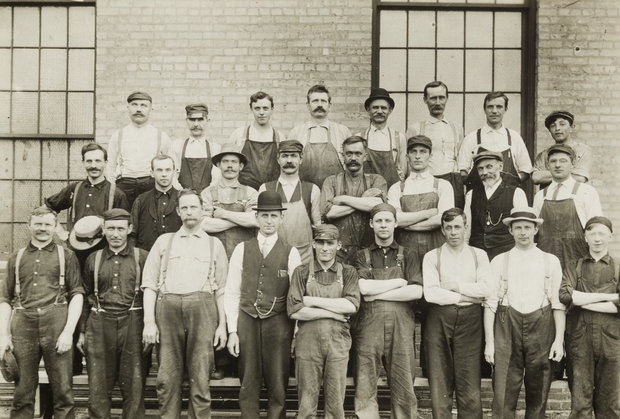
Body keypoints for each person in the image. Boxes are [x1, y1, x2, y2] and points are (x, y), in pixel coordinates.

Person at [141, 189, 229, 419]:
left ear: (202, 211)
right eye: (185, 208)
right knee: (166, 379)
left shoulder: (214, 244)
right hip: (168, 310)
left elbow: (222, 290)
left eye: (194, 207)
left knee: (200, 379)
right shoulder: (163, 242)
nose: (190, 212)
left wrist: (222, 326)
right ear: (178, 212)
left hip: (203, 311)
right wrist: (149, 322)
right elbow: (149, 285)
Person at [0, 206, 84, 419]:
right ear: (29, 226)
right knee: (23, 391)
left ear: (56, 227)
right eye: (38, 224)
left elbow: (77, 294)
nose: (42, 229)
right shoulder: (16, 258)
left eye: (48, 224)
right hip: (22, 324)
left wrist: (68, 332)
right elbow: (5, 299)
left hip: (56, 323)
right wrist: (3, 335)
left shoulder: (67, 256)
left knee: (63, 391)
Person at [225, 191, 302, 419]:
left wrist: (296, 332)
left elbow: (296, 297)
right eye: (265, 216)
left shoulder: (291, 252)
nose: (269, 221)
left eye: (274, 216)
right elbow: (232, 291)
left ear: (281, 219)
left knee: (278, 381)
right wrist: (232, 331)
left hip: (279, 325)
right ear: (256, 218)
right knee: (248, 380)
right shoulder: (242, 249)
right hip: (246, 321)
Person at [484, 207, 565, 419]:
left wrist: (558, 341)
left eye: (527, 227)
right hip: (506, 325)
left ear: (536, 229)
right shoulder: (499, 261)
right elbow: (490, 304)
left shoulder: (550, 261)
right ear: (510, 231)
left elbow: (558, 304)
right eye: (517, 228)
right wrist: (490, 342)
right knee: (502, 391)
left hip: (541, 324)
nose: (522, 232)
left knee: (539, 390)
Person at [350, 203, 423, 419]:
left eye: (388, 220)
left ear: (396, 223)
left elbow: (416, 292)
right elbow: (363, 288)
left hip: (401, 326)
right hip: (368, 326)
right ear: (372, 224)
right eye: (379, 221)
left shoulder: (408, 255)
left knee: (404, 385)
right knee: (365, 384)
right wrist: (400, 282)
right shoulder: (361, 256)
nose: (383, 225)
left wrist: (376, 293)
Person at [77, 209, 149, 419]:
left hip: (134, 322)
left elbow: (152, 295)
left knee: (134, 388)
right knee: (98, 389)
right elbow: (85, 295)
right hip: (99, 323)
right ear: (103, 230)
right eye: (110, 229)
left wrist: (149, 328)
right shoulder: (93, 258)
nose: (115, 234)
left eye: (120, 228)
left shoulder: (142, 257)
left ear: (129, 229)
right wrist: (82, 332)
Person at [422, 208, 493, 419]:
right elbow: (431, 294)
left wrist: (455, 286)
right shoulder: (431, 256)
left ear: (466, 228)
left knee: (469, 379)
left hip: (471, 321)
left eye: (458, 227)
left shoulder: (478, 255)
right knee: (439, 380)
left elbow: (487, 289)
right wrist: (468, 295)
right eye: (449, 228)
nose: (454, 232)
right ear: (443, 230)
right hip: (439, 319)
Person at [287, 224, 360, 419]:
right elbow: (295, 311)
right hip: (307, 343)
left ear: (338, 245)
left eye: (330, 243)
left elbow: (351, 306)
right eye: (320, 242)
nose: (325, 247)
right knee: (306, 401)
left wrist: (311, 301)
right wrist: (334, 314)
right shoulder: (301, 272)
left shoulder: (349, 272)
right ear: (313, 244)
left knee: (336, 402)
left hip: (338, 343)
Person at [560, 216, 620, 418]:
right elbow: (566, 296)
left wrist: (581, 299)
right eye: (592, 234)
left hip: (612, 341)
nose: (597, 239)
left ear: (610, 236)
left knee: (611, 404)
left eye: (601, 233)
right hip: (579, 339)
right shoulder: (573, 266)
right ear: (585, 237)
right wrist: (608, 297)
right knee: (580, 404)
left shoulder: (618, 267)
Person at [45, 142, 129, 266]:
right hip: (75, 254)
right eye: (89, 161)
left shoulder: (117, 194)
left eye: (98, 161)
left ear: (105, 162)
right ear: (83, 162)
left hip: (104, 256)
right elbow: (46, 209)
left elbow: (126, 227)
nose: (93, 166)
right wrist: (60, 232)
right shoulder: (74, 189)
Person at [533, 143, 602, 269]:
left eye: (563, 161)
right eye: (553, 161)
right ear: (548, 165)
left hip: (577, 262)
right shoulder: (540, 196)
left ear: (573, 164)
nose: (557, 165)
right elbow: (534, 233)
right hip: (546, 262)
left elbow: (597, 230)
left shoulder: (586, 192)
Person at [388, 135, 454, 263]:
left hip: (437, 251)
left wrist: (406, 225)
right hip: (405, 253)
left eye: (423, 152)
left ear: (430, 156)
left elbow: (443, 219)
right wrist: (428, 213)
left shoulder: (443, 185)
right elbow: (395, 219)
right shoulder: (396, 188)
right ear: (407, 157)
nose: (418, 156)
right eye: (413, 152)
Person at [320, 136, 387, 263]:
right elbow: (329, 213)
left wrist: (342, 199)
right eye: (349, 154)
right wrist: (362, 200)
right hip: (338, 252)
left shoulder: (376, 180)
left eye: (358, 154)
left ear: (365, 156)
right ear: (342, 156)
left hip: (370, 251)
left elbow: (378, 206)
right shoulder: (331, 181)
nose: (353, 158)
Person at [259, 140, 321, 265]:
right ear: (278, 159)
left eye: (293, 156)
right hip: (273, 255)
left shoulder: (312, 190)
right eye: (285, 156)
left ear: (301, 159)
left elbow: (317, 226)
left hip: (303, 256)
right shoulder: (265, 188)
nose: (289, 160)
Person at [107, 91, 172, 207]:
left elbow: (172, 167)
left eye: (143, 105)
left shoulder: (161, 136)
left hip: (151, 186)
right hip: (124, 186)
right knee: (123, 220)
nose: (138, 109)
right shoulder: (118, 135)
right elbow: (110, 166)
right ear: (128, 108)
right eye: (134, 105)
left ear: (150, 109)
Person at [458, 92, 532, 191]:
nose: (494, 111)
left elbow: (526, 170)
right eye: (490, 107)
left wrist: (511, 184)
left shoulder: (514, 137)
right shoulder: (471, 138)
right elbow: (462, 172)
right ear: (484, 109)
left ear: (505, 109)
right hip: (479, 199)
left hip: (508, 198)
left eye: (499, 107)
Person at [407, 81, 465, 208]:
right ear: (425, 100)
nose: (438, 102)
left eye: (441, 98)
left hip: (453, 182)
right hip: (427, 181)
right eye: (433, 98)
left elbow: (461, 159)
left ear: (447, 99)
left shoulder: (456, 128)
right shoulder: (416, 129)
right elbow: (409, 161)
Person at [464, 151, 528, 261]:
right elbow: (466, 228)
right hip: (478, 254)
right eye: (480, 168)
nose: (484, 172)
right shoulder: (471, 194)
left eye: (489, 167)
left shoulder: (516, 193)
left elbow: (522, 228)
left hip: (506, 254)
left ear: (500, 167)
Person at [201, 143, 259, 259]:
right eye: (225, 161)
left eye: (234, 162)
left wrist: (223, 214)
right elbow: (204, 224)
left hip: (244, 255)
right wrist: (242, 220)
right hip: (214, 255)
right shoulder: (207, 193)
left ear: (241, 166)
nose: (229, 166)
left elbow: (255, 219)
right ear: (218, 165)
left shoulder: (251, 193)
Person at [288, 85, 352, 188]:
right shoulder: (296, 132)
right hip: (304, 193)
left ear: (329, 105)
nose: (319, 105)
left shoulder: (342, 131)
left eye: (323, 101)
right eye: (315, 101)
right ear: (308, 105)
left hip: (336, 192)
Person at [229, 91, 287, 190]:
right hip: (244, 192)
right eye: (257, 108)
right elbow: (226, 164)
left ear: (272, 109)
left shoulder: (280, 138)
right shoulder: (239, 134)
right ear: (251, 109)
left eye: (265, 108)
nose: (261, 113)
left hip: (271, 192)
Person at [355, 88, 407, 187]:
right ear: (368, 110)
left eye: (383, 108)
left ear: (390, 110)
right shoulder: (359, 138)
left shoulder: (399, 138)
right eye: (375, 107)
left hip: (392, 190)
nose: (379, 111)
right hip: (366, 190)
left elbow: (403, 170)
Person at [130, 155, 183, 251]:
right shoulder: (141, 200)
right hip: (146, 256)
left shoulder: (183, 199)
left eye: (168, 170)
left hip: (176, 257)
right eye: (159, 170)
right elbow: (132, 234)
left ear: (174, 172)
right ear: (152, 173)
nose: (164, 174)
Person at [532, 110, 592, 189]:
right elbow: (536, 178)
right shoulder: (543, 155)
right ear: (549, 130)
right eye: (553, 125)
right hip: (550, 198)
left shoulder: (582, 149)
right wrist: (569, 172)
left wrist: (547, 175)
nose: (557, 128)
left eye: (562, 124)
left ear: (571, 127)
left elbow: (580, 178)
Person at [170, 103, 221, 193]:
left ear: (207, 120)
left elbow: (217, 178)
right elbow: (171, 175)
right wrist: (183, 193)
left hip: (207, 198)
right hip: (182, 198)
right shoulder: (177, 146)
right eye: (192, 120)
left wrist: (206, 195)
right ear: (186, 121)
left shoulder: (215, 149)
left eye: (200, 119)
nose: (196, 124)